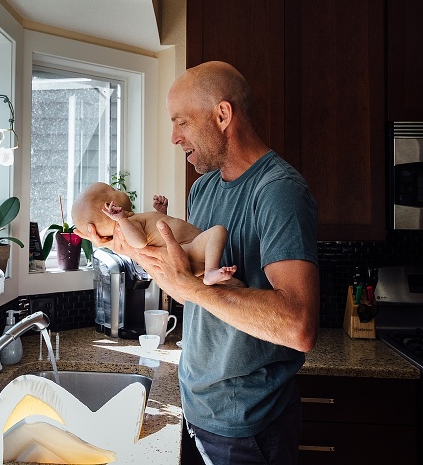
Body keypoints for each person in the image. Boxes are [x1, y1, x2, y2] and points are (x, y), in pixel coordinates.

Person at [77, 61, 319, 465]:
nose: (174, 137)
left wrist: (191, 286)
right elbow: (191, 293)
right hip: (196, 406)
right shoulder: (203, 189)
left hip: (250, 422)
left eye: (182, 122)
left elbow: (299, 326)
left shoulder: (278, 192)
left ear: (222, 115)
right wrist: (137, 255)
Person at [71, 182, 237, 285]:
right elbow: (139, 243)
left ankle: (211, 273)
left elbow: (160, 228)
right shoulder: (128, 224)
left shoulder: (135, 220)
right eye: (112, 188)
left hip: (187, 251)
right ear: (110, 206)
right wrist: (122, 219)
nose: (118, 189)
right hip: (187, 252)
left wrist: (161, 212)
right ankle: (210, 271)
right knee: (218, 231)